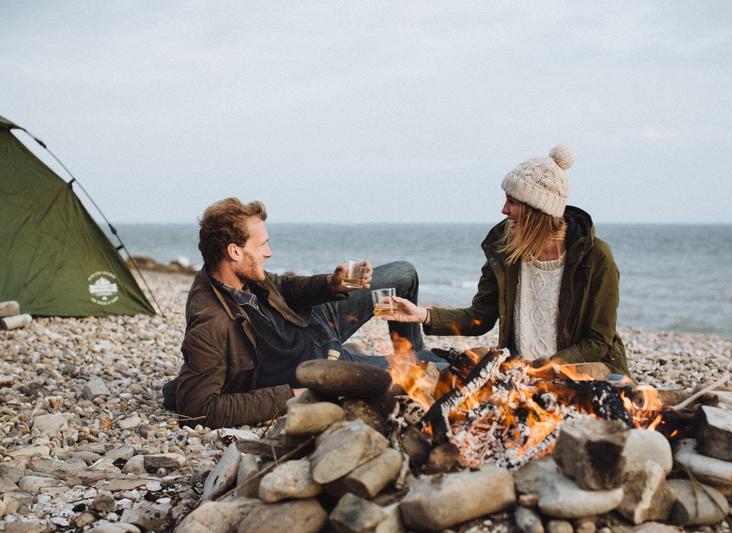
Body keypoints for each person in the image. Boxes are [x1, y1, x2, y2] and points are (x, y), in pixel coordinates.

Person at [162, 197, 444, 428]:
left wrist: (331, 284)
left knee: (404, 275)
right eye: (262, 245)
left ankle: (406, 353)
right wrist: (297, 395)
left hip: (315, 321)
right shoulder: (211, 324)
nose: (269, 252)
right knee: (438, 366)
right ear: (234, 252)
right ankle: (412, 370)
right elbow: (198, 408)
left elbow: (284, 286)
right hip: (324, 362)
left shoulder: (241, 277)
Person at [382, 145, 630, 376]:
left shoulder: (596, 257)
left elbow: (597, 342)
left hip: (580, 375)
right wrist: (423, 315)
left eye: (512, 201)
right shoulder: (503, 248)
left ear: (536, 210)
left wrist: (542, 368)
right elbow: (479, 317)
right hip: (518, 375)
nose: (503, 209)